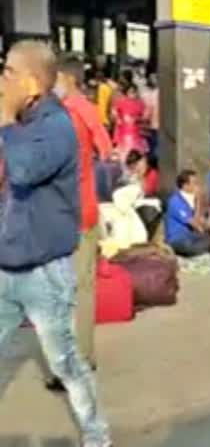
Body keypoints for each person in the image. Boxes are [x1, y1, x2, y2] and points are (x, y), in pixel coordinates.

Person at [0, 41, 112, 446]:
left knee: (66, 361)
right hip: (8, 260)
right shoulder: (23, 121)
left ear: (32, 83)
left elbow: (25, 169)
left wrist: (5, 121)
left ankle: (97, 436)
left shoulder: (58, 124)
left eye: (8, 72)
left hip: (47, 266)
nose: (1, 80)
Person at [40, 56, 114, 392]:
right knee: (82, 288)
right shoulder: (87, 110)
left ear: (64, 80)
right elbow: (106, 149)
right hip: (85, 211)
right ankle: (83, 357)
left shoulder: (61, 114)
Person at [165, 170, 210, 257]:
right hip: (178, 239)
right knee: (204, 240)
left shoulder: (188, 199)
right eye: (194, 183)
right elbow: (195, 224)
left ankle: (204, 249)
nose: (197, 186)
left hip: (190, 236)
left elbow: (200, 220)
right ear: (185, 186)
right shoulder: (175, 201)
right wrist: (198, 201)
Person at [112, 80, 147, 160]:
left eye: (135, 92)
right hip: (124, 131)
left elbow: (144, 116)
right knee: (124, 153)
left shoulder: (140, 103)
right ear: (127, 92)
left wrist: (137, 119)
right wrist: (118, 119)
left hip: (136, 132)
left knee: (135, 152)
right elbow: (114, 111)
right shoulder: (121, 101)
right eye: (131, 92)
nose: (133, 94)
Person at [141, 73, 159, 159]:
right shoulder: (159, 93)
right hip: (154, 124)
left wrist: (144, 119)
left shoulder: (146, 94)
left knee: (151, 145)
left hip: (150, 124)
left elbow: (148, 110)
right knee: (154, 145)